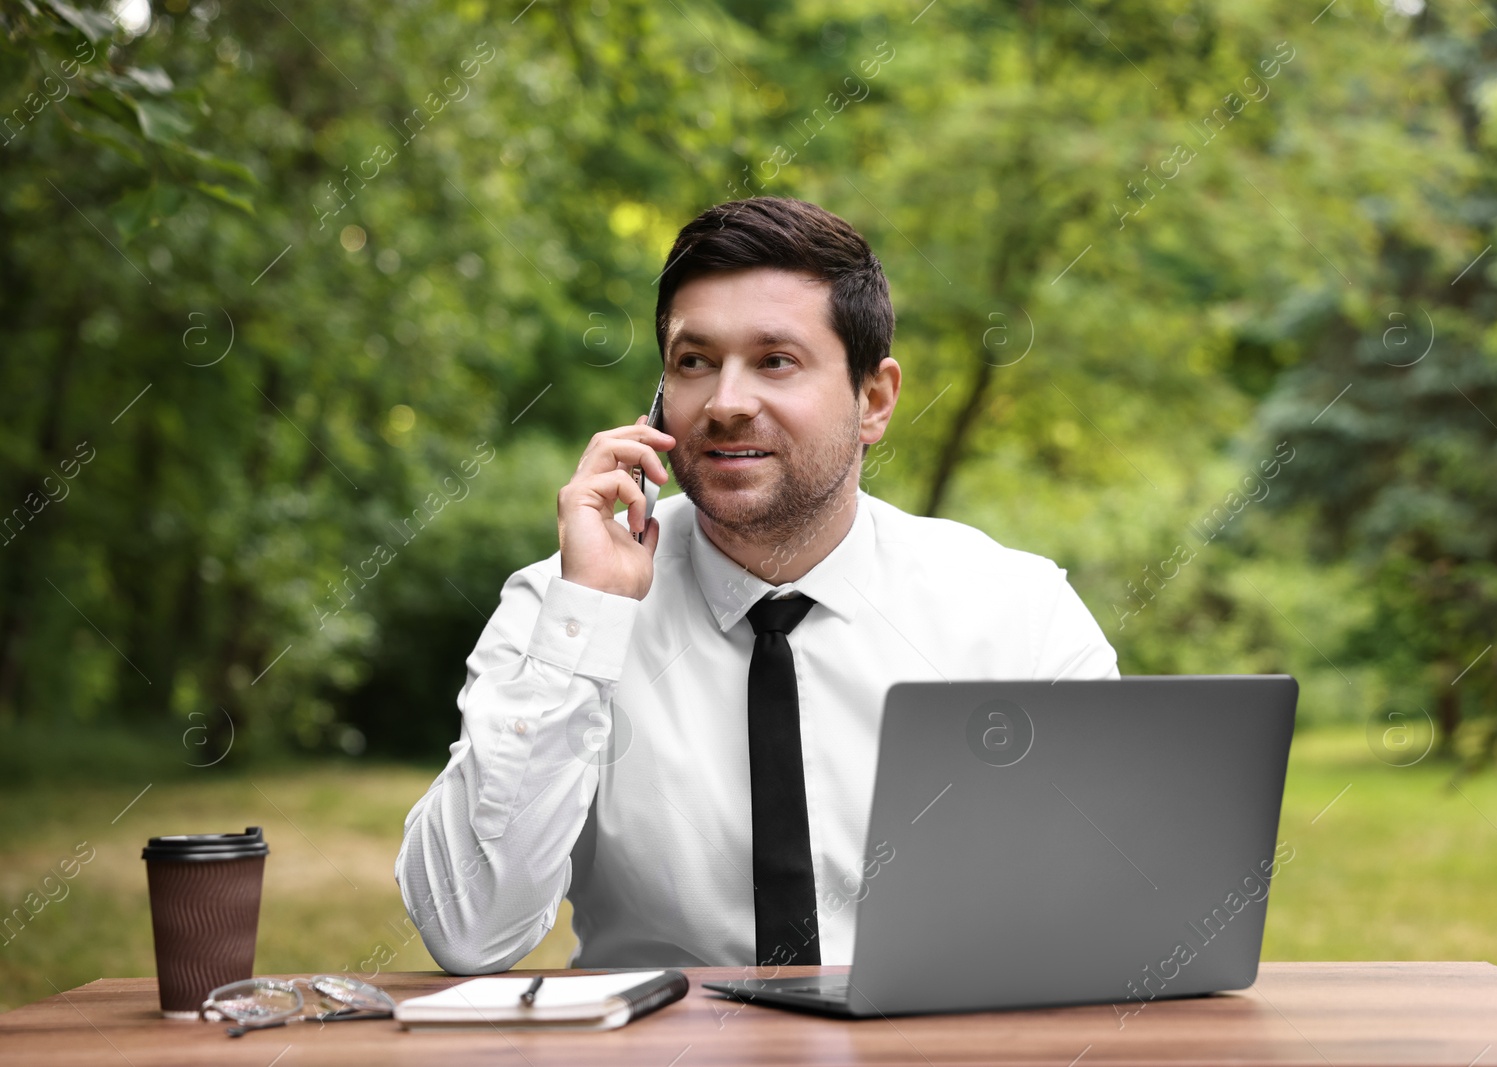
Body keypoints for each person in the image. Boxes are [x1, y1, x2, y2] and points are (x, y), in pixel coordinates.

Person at [395, 196, 1118, 975]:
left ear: (873, 400)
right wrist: (589, 617)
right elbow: (469, 932)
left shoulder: (1018, 612)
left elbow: (1110, 913)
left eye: (776, 360)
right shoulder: (561, 605)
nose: (727, 403)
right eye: (694, 362)